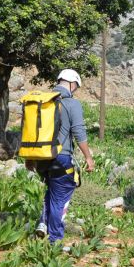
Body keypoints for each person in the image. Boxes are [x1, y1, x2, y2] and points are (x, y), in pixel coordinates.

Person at [33, 69, 95, 243]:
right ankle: (55, 240)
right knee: (61, 196)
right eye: (76, 87)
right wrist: (88, 158)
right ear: (71, 83)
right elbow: (78, 131)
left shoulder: (43, 101)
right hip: (61, 157)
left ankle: (43, 223)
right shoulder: (71, 103)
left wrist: (30, 159)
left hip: (41, 158)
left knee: (52, 190)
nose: (75, 90)